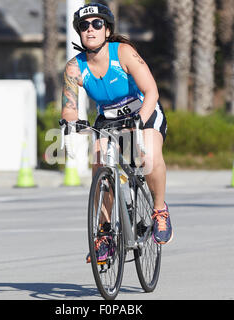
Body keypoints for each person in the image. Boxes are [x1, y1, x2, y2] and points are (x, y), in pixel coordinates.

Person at [61, 3, 173, 262]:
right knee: (101, 172)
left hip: (142, 110)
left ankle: (159, 210)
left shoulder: (123, 53)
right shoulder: (74, 68)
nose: (90, 29)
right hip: (108, 120)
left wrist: (139, 121)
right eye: (84, 26)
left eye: (97, 24)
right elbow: (69, 107)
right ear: (79, 33)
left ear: (107, 29)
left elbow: (152, 92)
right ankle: (105, 234)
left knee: (148, 157)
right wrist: (71, 123)